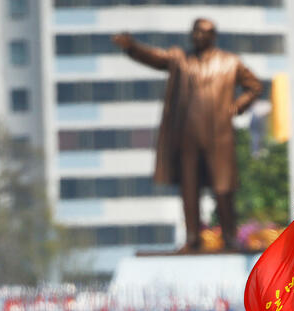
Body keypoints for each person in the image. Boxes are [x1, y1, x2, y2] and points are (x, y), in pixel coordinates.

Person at [112, 19, 262, 252]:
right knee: (189, 189)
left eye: (204, 32)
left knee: (223, 189)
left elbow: (254, 86)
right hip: (187, 136)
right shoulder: (180, 59)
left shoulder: (229, 62)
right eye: (196, 31)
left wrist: (238, 105)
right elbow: (156, 57)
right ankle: (193, 238)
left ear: (213, 36)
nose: (198, 36)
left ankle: (230, 237)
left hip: (218, 136)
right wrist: (132, 47)